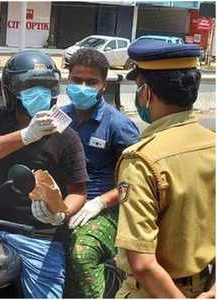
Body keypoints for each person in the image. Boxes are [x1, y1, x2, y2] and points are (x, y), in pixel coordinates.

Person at [0, 50, 88, 298]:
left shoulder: (66, 136)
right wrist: (26, 136)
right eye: (30, 86)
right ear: (10, 90)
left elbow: (79, 192)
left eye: (46, 87)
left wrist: (60, 213)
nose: (40, 93)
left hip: (40, 238)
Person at [114, 40, 215, 298]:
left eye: (138, 88)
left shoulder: (142, 159)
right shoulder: (212, 144)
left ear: (146, 94)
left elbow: (143, 265)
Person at [60, 48, 140, 298]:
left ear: (103, 84)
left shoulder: (118, 125)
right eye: (76, 80)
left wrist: (100, 202)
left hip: (104, 210)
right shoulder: (59, 118)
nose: (82, 86)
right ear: (68, 80)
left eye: (91, 82)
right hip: (63, 204)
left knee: (82, 253)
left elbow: (136, 182)